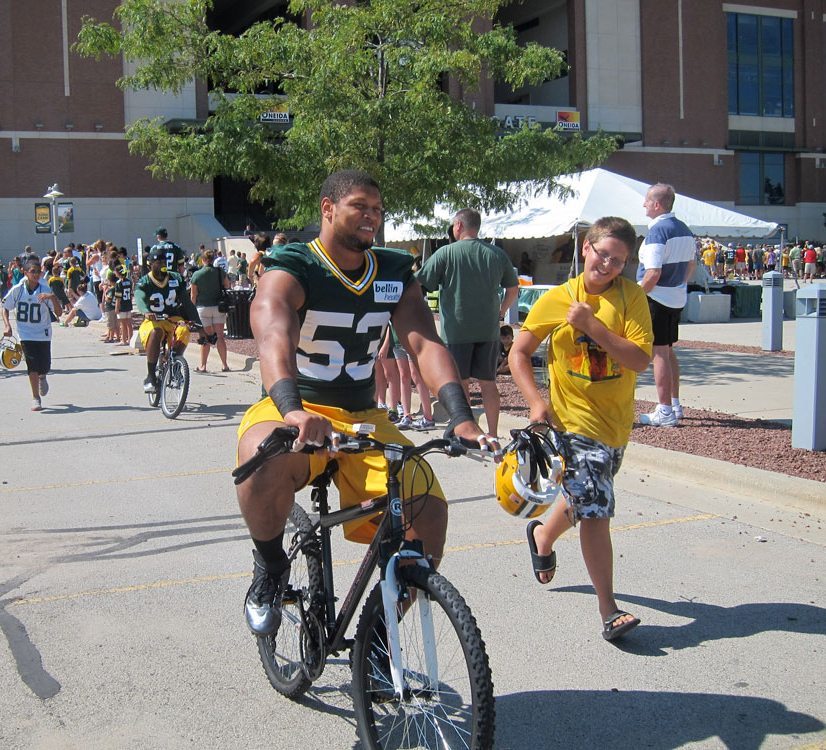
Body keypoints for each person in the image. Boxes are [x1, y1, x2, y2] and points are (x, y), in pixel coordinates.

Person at [235, 169, 496, 636]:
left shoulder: (394, 270)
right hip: (296, 406)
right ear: (328, 208)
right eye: (360, 206)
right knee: (261, 458)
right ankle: (271, 568)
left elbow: (424, 342)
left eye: (377, 209)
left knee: (429, 510)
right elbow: (271, 331)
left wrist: (460, 416)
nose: (371, 216)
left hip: (363, 416)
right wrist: (293, 408)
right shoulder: (294, 264)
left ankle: (379, 636)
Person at [509, 216, 653, 641]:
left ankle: (542, 535)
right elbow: (519, 352)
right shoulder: (556, 299)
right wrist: (537, 402)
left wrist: (592, 326)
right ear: (586, 248)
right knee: (596, 511)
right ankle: (609, 611)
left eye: (618, 260)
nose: (607, 264)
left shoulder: (631, 299)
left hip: (615, 425)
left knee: (586, 499)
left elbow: (640, 361)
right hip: (571, 424)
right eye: (603, 253)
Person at [416, 208, 519, 439]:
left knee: (461, 384)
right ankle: (492, 434)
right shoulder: (497, 255)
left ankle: (468, 432)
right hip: (489, 331)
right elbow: (512, 290)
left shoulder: (445, 253)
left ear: (458, 225)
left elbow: (420, 283)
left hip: (457, 331)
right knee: (488, 384)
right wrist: (500, 312)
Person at [637, 183, 695, 427]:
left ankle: (665, 411)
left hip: (656, 298)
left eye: (647, 201)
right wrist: (677, 286)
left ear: (657, 204)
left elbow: (652, 273)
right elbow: (691, 266)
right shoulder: (684, 229)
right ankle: (674, 403)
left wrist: (634, 297)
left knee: (659, 351)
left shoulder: (657, 232)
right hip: (675, 297)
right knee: (668, 350)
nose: (644, 205)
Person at [136, 249, 200, 393]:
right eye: (159, 262)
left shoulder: (175, 278)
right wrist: (146, 311)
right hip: (153, 319)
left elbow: (187, 302)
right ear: (150, 264)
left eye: (164, 262)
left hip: (172, 317)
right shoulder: (145, 281)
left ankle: (175, 365)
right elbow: (139, 297)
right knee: (156, 331)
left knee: (183, 330)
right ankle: (151, 376)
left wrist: (199, 325)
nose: (162, 265)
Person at [2, 259, 62, 411]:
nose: (36, 274)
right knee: (31, 365)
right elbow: (5, 307)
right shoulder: (18, 290)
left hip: (42, 333)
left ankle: (43, 376)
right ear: (25, 272)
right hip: (25, 333)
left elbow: (59, 312)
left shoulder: (44, 289)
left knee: (45, 366)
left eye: (38, 271)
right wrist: (7, 326)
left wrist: (52, 298)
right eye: (33, 271)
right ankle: (36, 398)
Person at [190, 249, 230, 373]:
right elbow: (227, 285)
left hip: (202, 308)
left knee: (206, 338)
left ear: (203, 260)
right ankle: (224, 365)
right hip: (218, 306)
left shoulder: (197, 274)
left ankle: (203, 365)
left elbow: (193, 295)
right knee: (220, 337)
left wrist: (192, 312)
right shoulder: (219, 272)